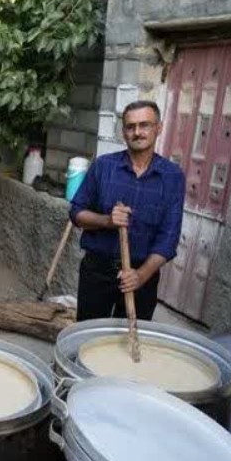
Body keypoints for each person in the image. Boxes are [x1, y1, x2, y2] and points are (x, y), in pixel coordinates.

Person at [69, 100, 185, 322]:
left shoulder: (172, 177)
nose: (137, 132)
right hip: (97, 271)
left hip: (142, 274)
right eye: (130, 127)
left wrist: (140, 276)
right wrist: (106, 221)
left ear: (158, 128)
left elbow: (168, 238)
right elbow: (76, 213)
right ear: (123, 132)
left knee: (129, 343)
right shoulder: (104, 166)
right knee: (87, 338)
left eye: (145, 125)